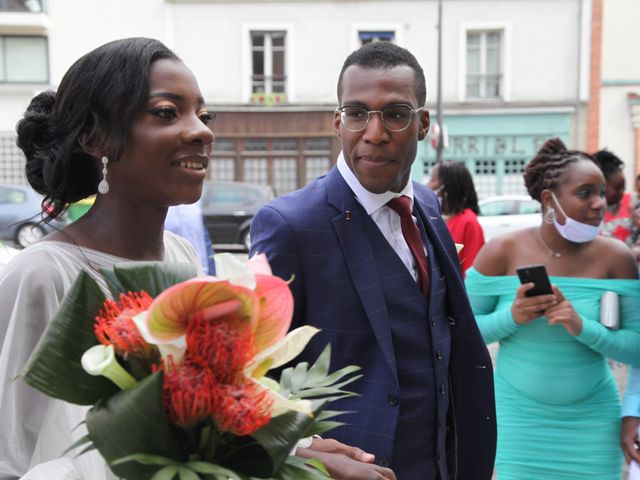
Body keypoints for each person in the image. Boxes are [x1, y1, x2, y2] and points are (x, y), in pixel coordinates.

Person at [250, 41, 497, 479]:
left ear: (422, 124)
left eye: (396, 114)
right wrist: (302, 450)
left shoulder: (425, 204)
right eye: (357, 113)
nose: (375, 132)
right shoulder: (290, 225)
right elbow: (251, 377)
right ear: (337, 122)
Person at [466, 138, 640, 479]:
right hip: (518, 420)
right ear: (549, 199)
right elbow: (458, 330)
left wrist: (581, 326)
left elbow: (637, 349)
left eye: (602, 192)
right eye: (586, 193)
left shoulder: (616, 258)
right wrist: (511, 318)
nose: (600, 204)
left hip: (592, 422)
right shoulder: (501, 251)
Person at [428, 161, 484, 276]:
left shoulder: (468, 222)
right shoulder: (437, 219)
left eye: (433, 180)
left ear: (448, 186)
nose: (428, 185)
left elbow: (471, 271)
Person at [595, 149, 636, 245]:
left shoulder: (632, 203)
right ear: (602, 187)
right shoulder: (592, 212)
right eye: (617, 188)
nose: (622, 191)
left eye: (624, 186)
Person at [165, 201, 216, 274]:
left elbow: (203, 239)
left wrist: (211, 273)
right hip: (175, 275)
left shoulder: (193, 203)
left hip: (201, 271)